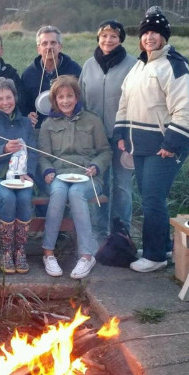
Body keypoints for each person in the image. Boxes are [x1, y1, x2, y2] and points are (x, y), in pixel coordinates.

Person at [114, 6, 189, 273]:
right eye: (145, 33)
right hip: (140, 145)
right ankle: (162, 247)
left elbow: (186, 109)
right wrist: (121, 134)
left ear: (164, 36)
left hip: (164, 147)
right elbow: (125, 101)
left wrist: (171, 144)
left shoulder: (174, 65)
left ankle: (155, 257)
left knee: (152, 198)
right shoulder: (140, 65)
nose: (149, 37)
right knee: (150, 196)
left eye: (155, 33)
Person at [39, 75, 111, 280]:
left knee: (77, 192)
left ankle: (87, 256)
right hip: (59, 176)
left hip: (87, 177)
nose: (65, 101)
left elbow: (105, 151)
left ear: (77, 97)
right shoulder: (48, 124)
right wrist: (47, 172)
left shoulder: (92, 120)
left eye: (70, 96)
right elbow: (43, 157)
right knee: (60, 192)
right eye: (60, 97)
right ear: (54, 100)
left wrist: (96, 166)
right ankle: (48, 253)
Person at [79, 20, 137, 238]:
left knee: (122, 186)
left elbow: (137, 101)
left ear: (120, 39)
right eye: (104, 36)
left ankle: (122, 232)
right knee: (98, 185)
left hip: (123, 137)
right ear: (98, 38)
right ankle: (100, 230)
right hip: (95, 139)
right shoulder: (88, 65)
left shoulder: (133, 65)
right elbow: (82, 101)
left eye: (113, 36)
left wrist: (129, 133)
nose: (108, 40)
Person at [0, 78, 37, 274]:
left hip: (20, 176)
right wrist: (3, 148)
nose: (5, 102)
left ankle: (19, 250)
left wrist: (29, 173)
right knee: (7, 197)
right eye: (0, 98)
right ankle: (5, 251)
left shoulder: (25, 122)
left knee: (25, 197)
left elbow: (34, 152)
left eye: (8, 97)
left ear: (15, 98)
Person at [19, 25, 82, 128]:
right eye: (44, 43)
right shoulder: (28, 74)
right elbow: (23, 103)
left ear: (59, 47)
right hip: (40, 129)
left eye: (53, 43)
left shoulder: (74, 70)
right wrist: (28, 115)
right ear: (38, 49)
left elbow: (81, 99)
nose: (49, 47)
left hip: (69, 128)